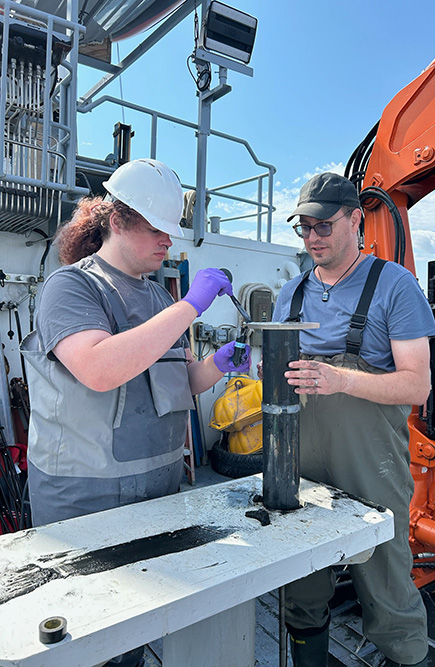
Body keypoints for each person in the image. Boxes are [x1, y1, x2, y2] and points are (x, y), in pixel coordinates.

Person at [21, 158, 251, 667]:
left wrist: (218, 363)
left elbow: (179, 382)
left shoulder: (156, 297)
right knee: (85, 639)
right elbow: (100, 369)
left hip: (160, 493)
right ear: (119, 219)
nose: (170, 241)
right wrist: (191, 305)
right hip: (85, 501)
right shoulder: (72, 288)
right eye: (158, 229)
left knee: (136, 633)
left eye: (172, 232)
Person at [272, 172, 435, 667]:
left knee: (388, 590)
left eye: (323, 225)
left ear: (355, 219)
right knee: (302, 589)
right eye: (303, 227)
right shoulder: (291, 293)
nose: (312, 237)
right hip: (301, 466)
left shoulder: (395, 286)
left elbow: (417, 385)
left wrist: (342, 380)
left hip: (373, 468)